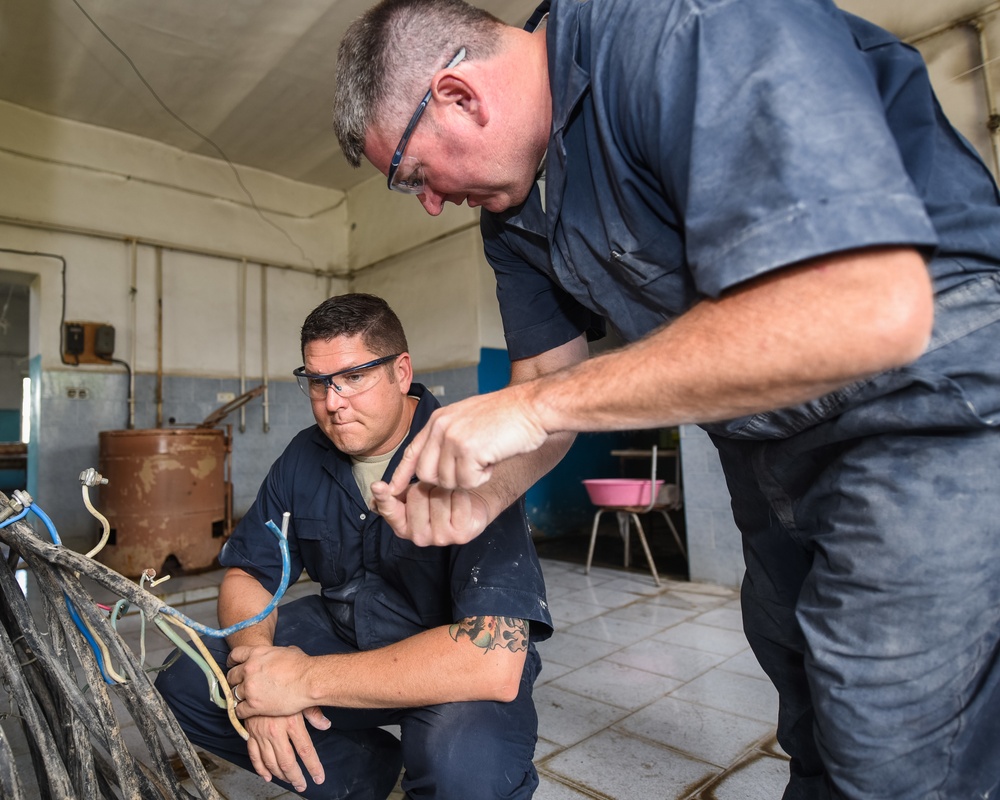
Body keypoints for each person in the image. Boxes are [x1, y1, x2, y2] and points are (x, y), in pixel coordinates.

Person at [332, 1, 1000, 798]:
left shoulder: (682, 25)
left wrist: (538, 409)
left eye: (411, 175)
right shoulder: (515, 216)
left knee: (889, 742)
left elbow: (870, 305)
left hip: (923, 407)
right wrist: (483, 496)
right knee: (811, 713)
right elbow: (543, 379)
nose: (430, 202)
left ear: (457, 95)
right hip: (767, 448)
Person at [155, 293, 552, 800]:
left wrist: (305, 679)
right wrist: (259, 673)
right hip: (346, 631)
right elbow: (249, 572)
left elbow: (492, 660)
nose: (333, 402)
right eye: (318, 383)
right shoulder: (305, 454)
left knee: (461, 772)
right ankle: (362, 776)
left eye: (354, 377)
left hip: (448, 662)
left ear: (401, 371)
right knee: (192, 681)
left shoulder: (466, 455)